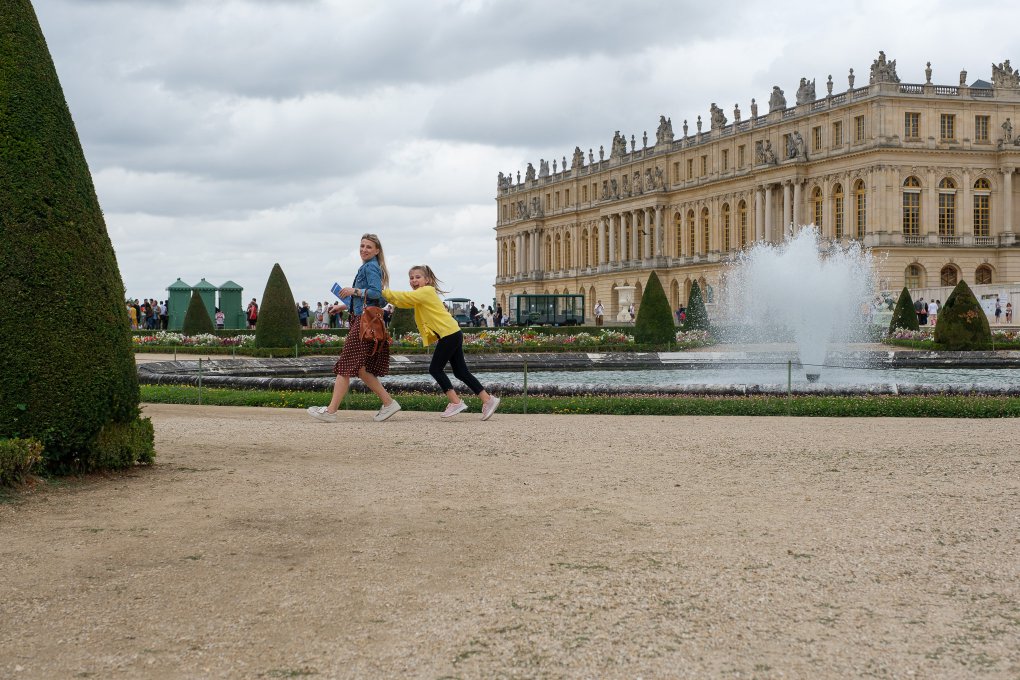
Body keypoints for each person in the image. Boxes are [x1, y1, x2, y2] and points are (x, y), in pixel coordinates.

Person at [383, 265, 501, 420]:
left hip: (449, 334)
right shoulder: (420, 295)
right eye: (411, 278)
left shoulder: (426, 291)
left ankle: (455, 402)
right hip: (452, 332)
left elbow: (404, 297)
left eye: (418, 277)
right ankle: (488, 399)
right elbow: (403, 302)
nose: (414, 280)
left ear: (427, 280)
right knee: (460, 372)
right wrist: (384, 295)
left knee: (435, 369)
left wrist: (381, 290)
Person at [308, 233, 401, 423]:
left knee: (345, 364)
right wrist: (343, 306)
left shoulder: (370, 268)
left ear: (376, 250)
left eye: (368, 247)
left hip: (362, 323)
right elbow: (376, 298)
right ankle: (389, 403)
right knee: (361, 369)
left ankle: (331, 411)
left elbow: (378, 294)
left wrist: (353, 291)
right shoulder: (370, 267)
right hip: (362, 320)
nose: (363, 250)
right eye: (362, 246)